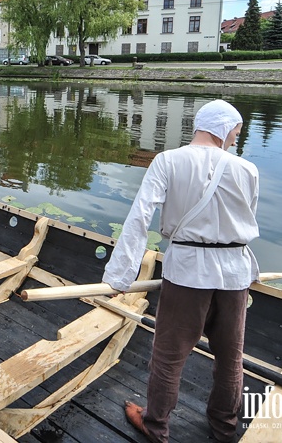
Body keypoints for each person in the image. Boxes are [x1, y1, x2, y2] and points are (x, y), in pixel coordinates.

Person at [102, 99, 260, 443]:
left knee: (169, 357)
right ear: (223, 128)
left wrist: (120, 277)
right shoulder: (247, 169)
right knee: (231, 357)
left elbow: (139, 217)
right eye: (235, 132)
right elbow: (246, 220)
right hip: (235, 274)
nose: (235, 139)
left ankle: (156, 426)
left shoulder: (168, 161)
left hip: (188, 271)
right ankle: (224, 427)